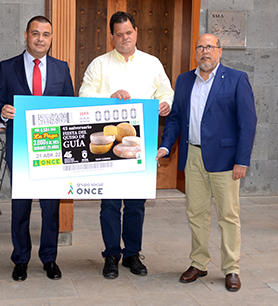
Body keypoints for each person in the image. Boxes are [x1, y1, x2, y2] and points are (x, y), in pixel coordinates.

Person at [156, 33, 257, 292]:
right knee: (196, 213)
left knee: (228, 216)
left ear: (220, 51)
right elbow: (176, 118)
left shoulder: (236, 79)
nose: (205, 52)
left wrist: (241, 161)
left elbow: (247, 123)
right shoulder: (184, 80)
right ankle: (199, 262)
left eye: (210, 47)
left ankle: (231, 268)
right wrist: (166, 145)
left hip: (225, 160)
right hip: (194, 157)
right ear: (195, 52)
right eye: (200, 47)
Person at [79, 11, 174, 279]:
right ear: (111, 36)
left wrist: (167, 102)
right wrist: (108, 96)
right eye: (119, 34)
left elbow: (166, 92)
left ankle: (132, 253)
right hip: (108, 147)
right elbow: (84, 95)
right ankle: (111, 254)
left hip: (139, 146)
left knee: (135, 204)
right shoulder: (99, 64)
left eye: (128, 33)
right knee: (109, 203)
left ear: (136, 32)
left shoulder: (152, 63)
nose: (124, 38)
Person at [0, 16, 74, 281]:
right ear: (26, 35)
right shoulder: (7, 67)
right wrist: (2, 111)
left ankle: (49, 259)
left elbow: (70, 106)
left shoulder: (62, 68)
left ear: (51, 38)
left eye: (46, 34)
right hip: (21, 147)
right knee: (21, 206)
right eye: (35, 33)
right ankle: (21, 259)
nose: (40, 39)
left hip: (52, 148)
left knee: (51, 206)